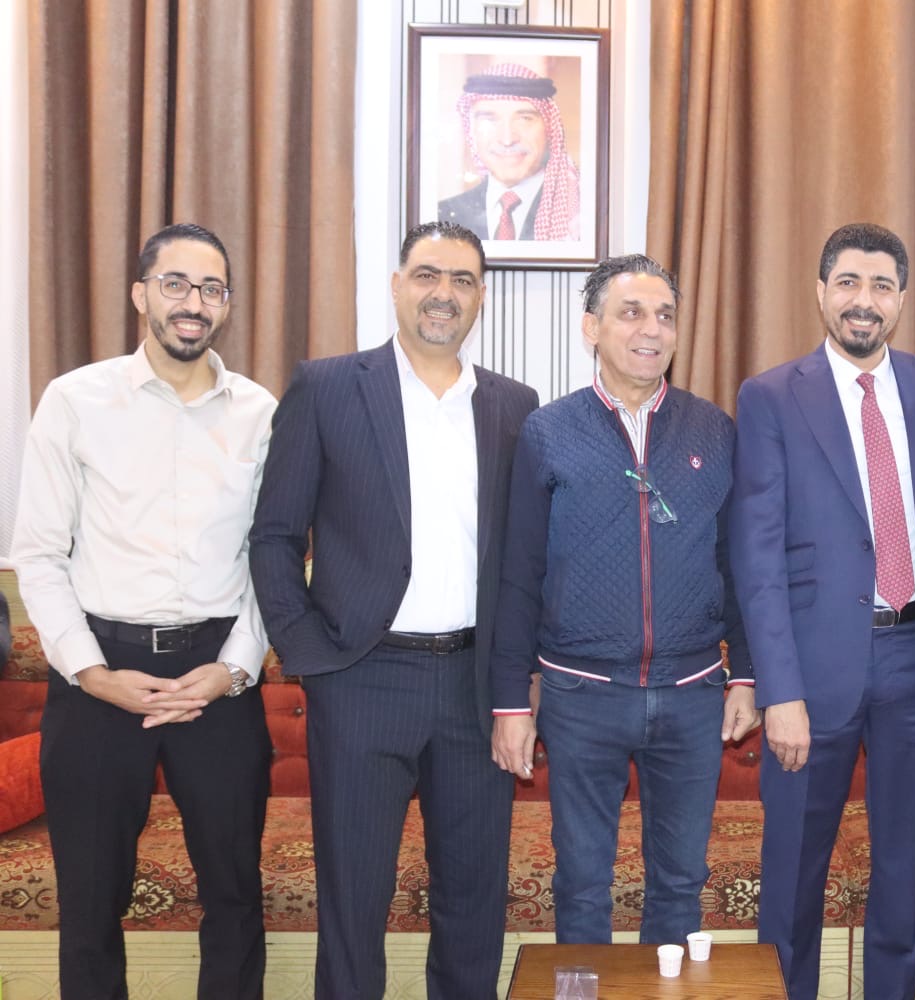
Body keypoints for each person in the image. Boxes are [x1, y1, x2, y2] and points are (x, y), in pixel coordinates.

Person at [249, 221, 538, 999]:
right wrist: (312, 656)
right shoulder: (327, 387)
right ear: (397, 285)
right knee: (353, 904)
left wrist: (519, 684)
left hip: (475, 686)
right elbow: (275, 535)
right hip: (361, 679)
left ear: (481, 297)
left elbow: (524, 562)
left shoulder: (513, 406)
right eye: (427, 275)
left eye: (463, 280)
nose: (444, 293)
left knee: (473, 906)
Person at [11, 223, 275, 998]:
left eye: (211, 288)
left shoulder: (260, 412)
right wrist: (92, 674)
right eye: (176, 284)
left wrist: (233, 670)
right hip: (99, 677)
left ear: (227, 304)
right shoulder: (76, 401)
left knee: (235, 896)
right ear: (141, 294)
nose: (194, 303)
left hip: (216, 679)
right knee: (90, 905)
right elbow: (39, 555)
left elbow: (272, 558)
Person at [728, 223, 915, 1000]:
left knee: (906, 872)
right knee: (792, 873)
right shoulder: (771, 396)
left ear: (900, 300)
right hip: (812, 671)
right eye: (848, 283)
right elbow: (756, 555)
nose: (863, 301)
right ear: (821, 292)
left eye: (880, 286)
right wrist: (778, 690)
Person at [490, 253, 759, 944]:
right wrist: (512, 701)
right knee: (582, 884)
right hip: (580, 695)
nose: (651, 329)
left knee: (680, 882)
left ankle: (664, 991)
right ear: (592, 327)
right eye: (631, 312)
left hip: (693, 694)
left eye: (665, 315)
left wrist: (747, 674)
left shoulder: (713, 429)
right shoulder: (548, 431)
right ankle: (585, 992)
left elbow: (738, 564)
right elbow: (518, 575)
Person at [437, 63, 582, 242]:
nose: (507, 139)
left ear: (549, 129)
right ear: (472, 131)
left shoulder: (581, 215)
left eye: (525, 119)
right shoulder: (442, 216)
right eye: (489, 120)